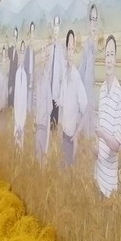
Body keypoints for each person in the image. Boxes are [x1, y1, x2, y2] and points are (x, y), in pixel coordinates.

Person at [95, 35, 121, 196]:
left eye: (112, 55)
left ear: (116, 59)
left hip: (110, 183)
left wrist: (102, 135)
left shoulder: (119, 94)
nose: (109, 59)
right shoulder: (102, 89)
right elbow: (100, 127)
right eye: (107, 55)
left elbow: (117, 145)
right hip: (98, 175)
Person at [58, 30, 87, 165]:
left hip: (70, 140)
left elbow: (86, 110)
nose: (70, 52)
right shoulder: (65, 75)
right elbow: (62, 104)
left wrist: (76, 134)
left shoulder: (76, 78)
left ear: (75, 50)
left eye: (72, 48)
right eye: (68, 48)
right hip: (62, 137)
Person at [32, 28, 53, 160]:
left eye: (46, 51)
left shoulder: (47, 76)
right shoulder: (39, 75)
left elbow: (49, 104)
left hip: (44, 122)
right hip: (39, 121)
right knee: (38, 152)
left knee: (42, 152)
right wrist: (36, 117)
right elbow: (35, 99)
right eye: (43, 51)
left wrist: (45, 116)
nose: (44, 55)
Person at [78, 3, 99, 137]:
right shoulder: (86, 47)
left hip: (94, 101)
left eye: (96, 19)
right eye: (92, 19)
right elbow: (81, 74)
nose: (94, 24)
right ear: (89, 22)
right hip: (86, 101)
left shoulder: (98, 46)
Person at [49, 15, 64, 129]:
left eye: (57, 25)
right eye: (54, 25)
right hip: (47, 92)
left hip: (55, 93)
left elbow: (63, 75)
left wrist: (60, 96)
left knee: (54, 124)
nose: (56, 29)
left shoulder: (61, 50)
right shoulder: (49, 48)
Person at [13, 40, 29, 145]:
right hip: (17, 115)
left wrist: (22, 121)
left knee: (21, 143)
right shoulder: (17, 73)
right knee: (16, 141)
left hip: (23, 116)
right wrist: (17, 120)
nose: (22, 55)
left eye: (24, 52)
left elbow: (25, 99)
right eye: (21, 52)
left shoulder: (25, 74)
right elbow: (16, 98)